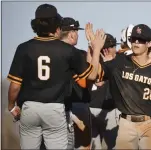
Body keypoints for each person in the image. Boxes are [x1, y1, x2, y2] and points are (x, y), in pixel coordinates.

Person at [7, 4, 105, 149]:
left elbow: (15, 86)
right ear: (57, 27)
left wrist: (11, 106)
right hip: (54, 108)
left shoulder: (24, 48)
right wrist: (96, 49)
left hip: (29, 108)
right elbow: (91, 76)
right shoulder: (67, 50)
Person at [59, 17, 92, 149]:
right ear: (71, 33)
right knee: (82, 146)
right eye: (76, 31)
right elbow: (88, 79)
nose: (78, 34)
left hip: (54, 107)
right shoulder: (77, 54)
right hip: (77, 104)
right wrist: (91, 43)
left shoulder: (51, 52)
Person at [89, 33, 121, 149]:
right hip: (102, 110)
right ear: (108, 48)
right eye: (113, 47)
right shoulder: (96, 60)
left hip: (106, 109)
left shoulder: (95, 59)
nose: (115, 50)